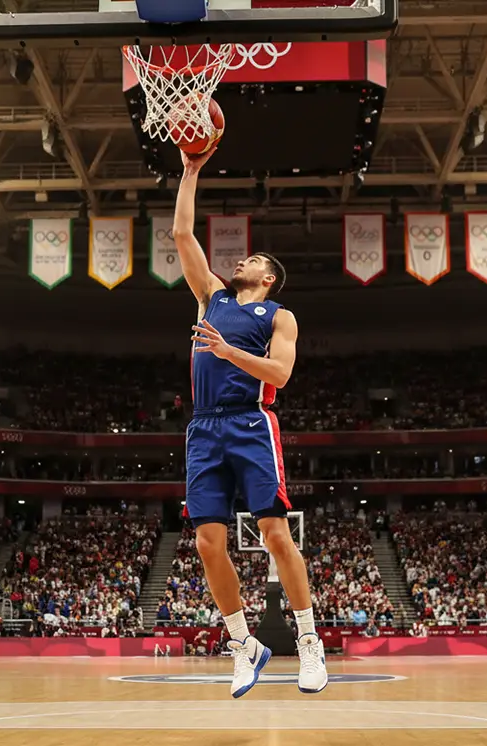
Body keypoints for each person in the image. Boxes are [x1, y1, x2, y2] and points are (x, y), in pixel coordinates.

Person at [174, 145, 327, 697]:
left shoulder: (278, 315)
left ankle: (309, 642)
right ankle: (244, 644)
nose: (243, 261)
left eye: (254, 260)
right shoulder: (210, 298)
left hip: (250, 423)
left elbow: (280, 375)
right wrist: (191, 171)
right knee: (208, 544)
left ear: (268, 279)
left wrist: (227, 353)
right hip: (204, 428)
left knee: (273, 533)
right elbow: (182, 238)